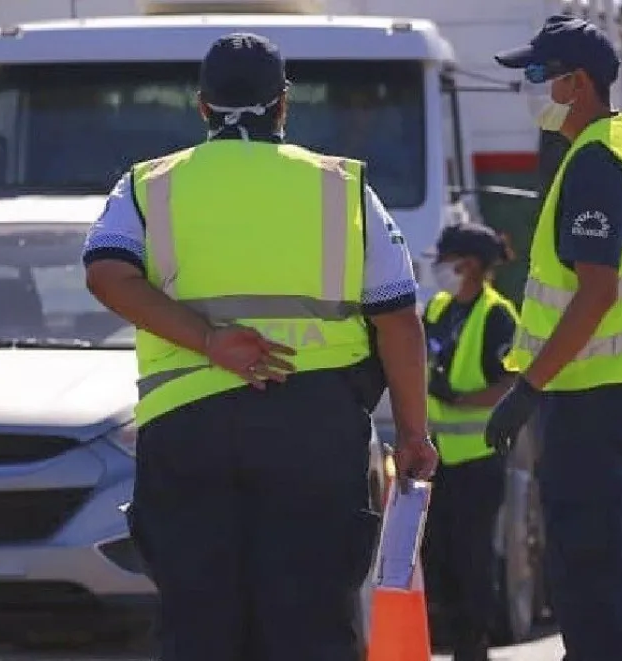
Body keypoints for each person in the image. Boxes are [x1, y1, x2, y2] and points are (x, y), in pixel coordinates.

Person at [82, 32, 438, 661]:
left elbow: (107, 274)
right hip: (315, 430)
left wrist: (211, 342)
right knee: (311, 626)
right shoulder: (344, 188)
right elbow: (398, 319)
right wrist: (413, 433)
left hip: (187, 428)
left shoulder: (146, 185)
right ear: (284, 105)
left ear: (202, 106)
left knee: (199, 626)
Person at [486, 14, 622, 661]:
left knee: (589, 578)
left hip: (590, 400)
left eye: (538, 74)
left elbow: (597, 291)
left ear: (577, 83)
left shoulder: (594, 160)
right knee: (608, 570)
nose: (529, 87)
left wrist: (529, 383)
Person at [419, 222, 520, 661]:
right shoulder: (438, 309)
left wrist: (459, 399)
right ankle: (448, 634)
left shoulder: (497, 316)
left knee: (472, 558)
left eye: (447, 260)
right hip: (436, 458)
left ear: (472, 266)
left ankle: (473, 647)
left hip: (479, 460)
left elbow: (510, 383)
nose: (440, 268)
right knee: (435, 555)